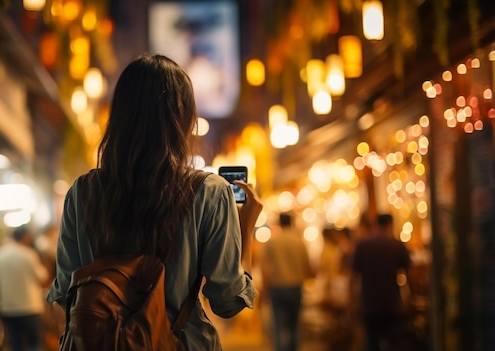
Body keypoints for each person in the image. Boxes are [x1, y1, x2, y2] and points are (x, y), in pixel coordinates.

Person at [46, 54, 263, 350]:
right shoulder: (210, 192)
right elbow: (228, 302)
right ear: (184, 120)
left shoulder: (81, 192)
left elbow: (65, 295)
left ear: (119, 116)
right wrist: (245, 227)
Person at [351, 214, 411, 351]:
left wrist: (353, 299)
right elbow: (408, 275)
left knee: (371, 343)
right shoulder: (397, 245)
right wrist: (408, 299)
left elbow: (354, 276)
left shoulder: (363, 245)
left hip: (369, 304)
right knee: (394, 343)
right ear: (390, 224)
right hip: (391, 303)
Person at [0, 225, 49, 351]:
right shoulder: (29, 254)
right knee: (34, 344)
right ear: (25, 236)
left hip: (8, 306)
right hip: (29, 306)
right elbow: (42, 276)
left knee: (15, 343)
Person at [260, 213, 313, 351]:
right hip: (295, 286)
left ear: (279, 223)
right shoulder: (299, 241)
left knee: (278, 324)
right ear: (292, 222)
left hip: (277, 287)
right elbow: (307, 266)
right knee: (295, 324)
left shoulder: (272, 242)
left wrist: (265, 289)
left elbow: (264, 267)